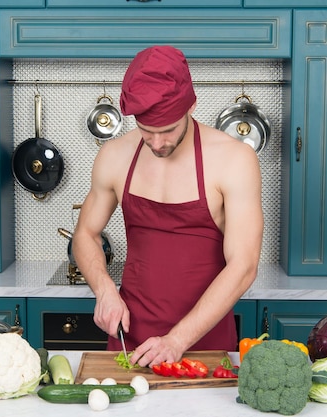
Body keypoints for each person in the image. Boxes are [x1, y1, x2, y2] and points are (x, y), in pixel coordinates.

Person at [72, 45, 263, 367]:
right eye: (146, 131)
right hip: (130, 336)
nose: (158, 143)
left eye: (168, 130)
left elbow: (243, 265)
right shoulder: (115, 156)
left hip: (205, 340)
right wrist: (104, 290)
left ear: (192, 106)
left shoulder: (234, 159)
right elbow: (86, 233)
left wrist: (177, 340)